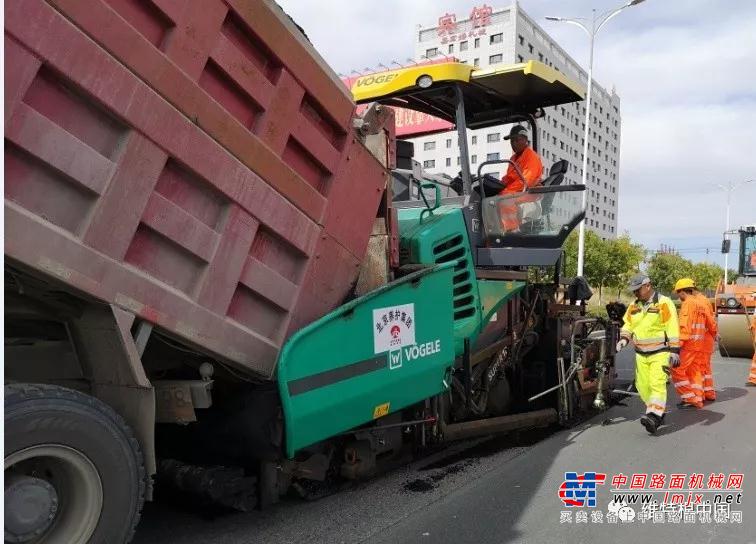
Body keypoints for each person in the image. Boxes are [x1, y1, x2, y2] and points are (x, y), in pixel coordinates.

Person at [617, 274, 680, 434]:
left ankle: (654, 416)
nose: (635, 293)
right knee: (642, 386)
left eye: (638, 290)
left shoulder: (663, 303)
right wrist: (624, 339)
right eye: (634, 291)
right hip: (640, 354)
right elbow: (628, 325)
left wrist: (674, 351)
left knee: (656, 383)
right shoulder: (634, 306)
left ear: (648, 286)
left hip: (660, 352)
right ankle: (657, 411)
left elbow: (672, 327)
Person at [497, 125, 543, 231]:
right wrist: (498, 185)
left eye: (517, 140)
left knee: (505, 201)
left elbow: (527, 181)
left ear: (525, 140)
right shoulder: (513, 159)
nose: (514, 143)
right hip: (517, 192)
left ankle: (512, 232)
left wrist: (505, 191)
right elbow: (509, 178)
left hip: (530, 193)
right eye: (512, 141)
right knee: (492, 200)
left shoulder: (532, 157)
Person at [672, 278, 706, 409]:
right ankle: (697, 398)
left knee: (677, 370)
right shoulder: (700, 304)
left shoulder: (687, 304)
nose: (678, 296)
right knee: (695, 371)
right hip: (699, 344)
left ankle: (690, 398)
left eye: (677, 292)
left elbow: (685, 327)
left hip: (688, 344)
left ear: (682, 291)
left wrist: (677, 344)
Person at [691, 285, 718, 401]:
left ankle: (699, 395)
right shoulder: (704, 300)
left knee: (699, 366)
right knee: (705, 367)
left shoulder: (698, 302)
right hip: (706, 338)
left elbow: (709, 321)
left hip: (702, 339)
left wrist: (715, 333)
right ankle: (708, 392)